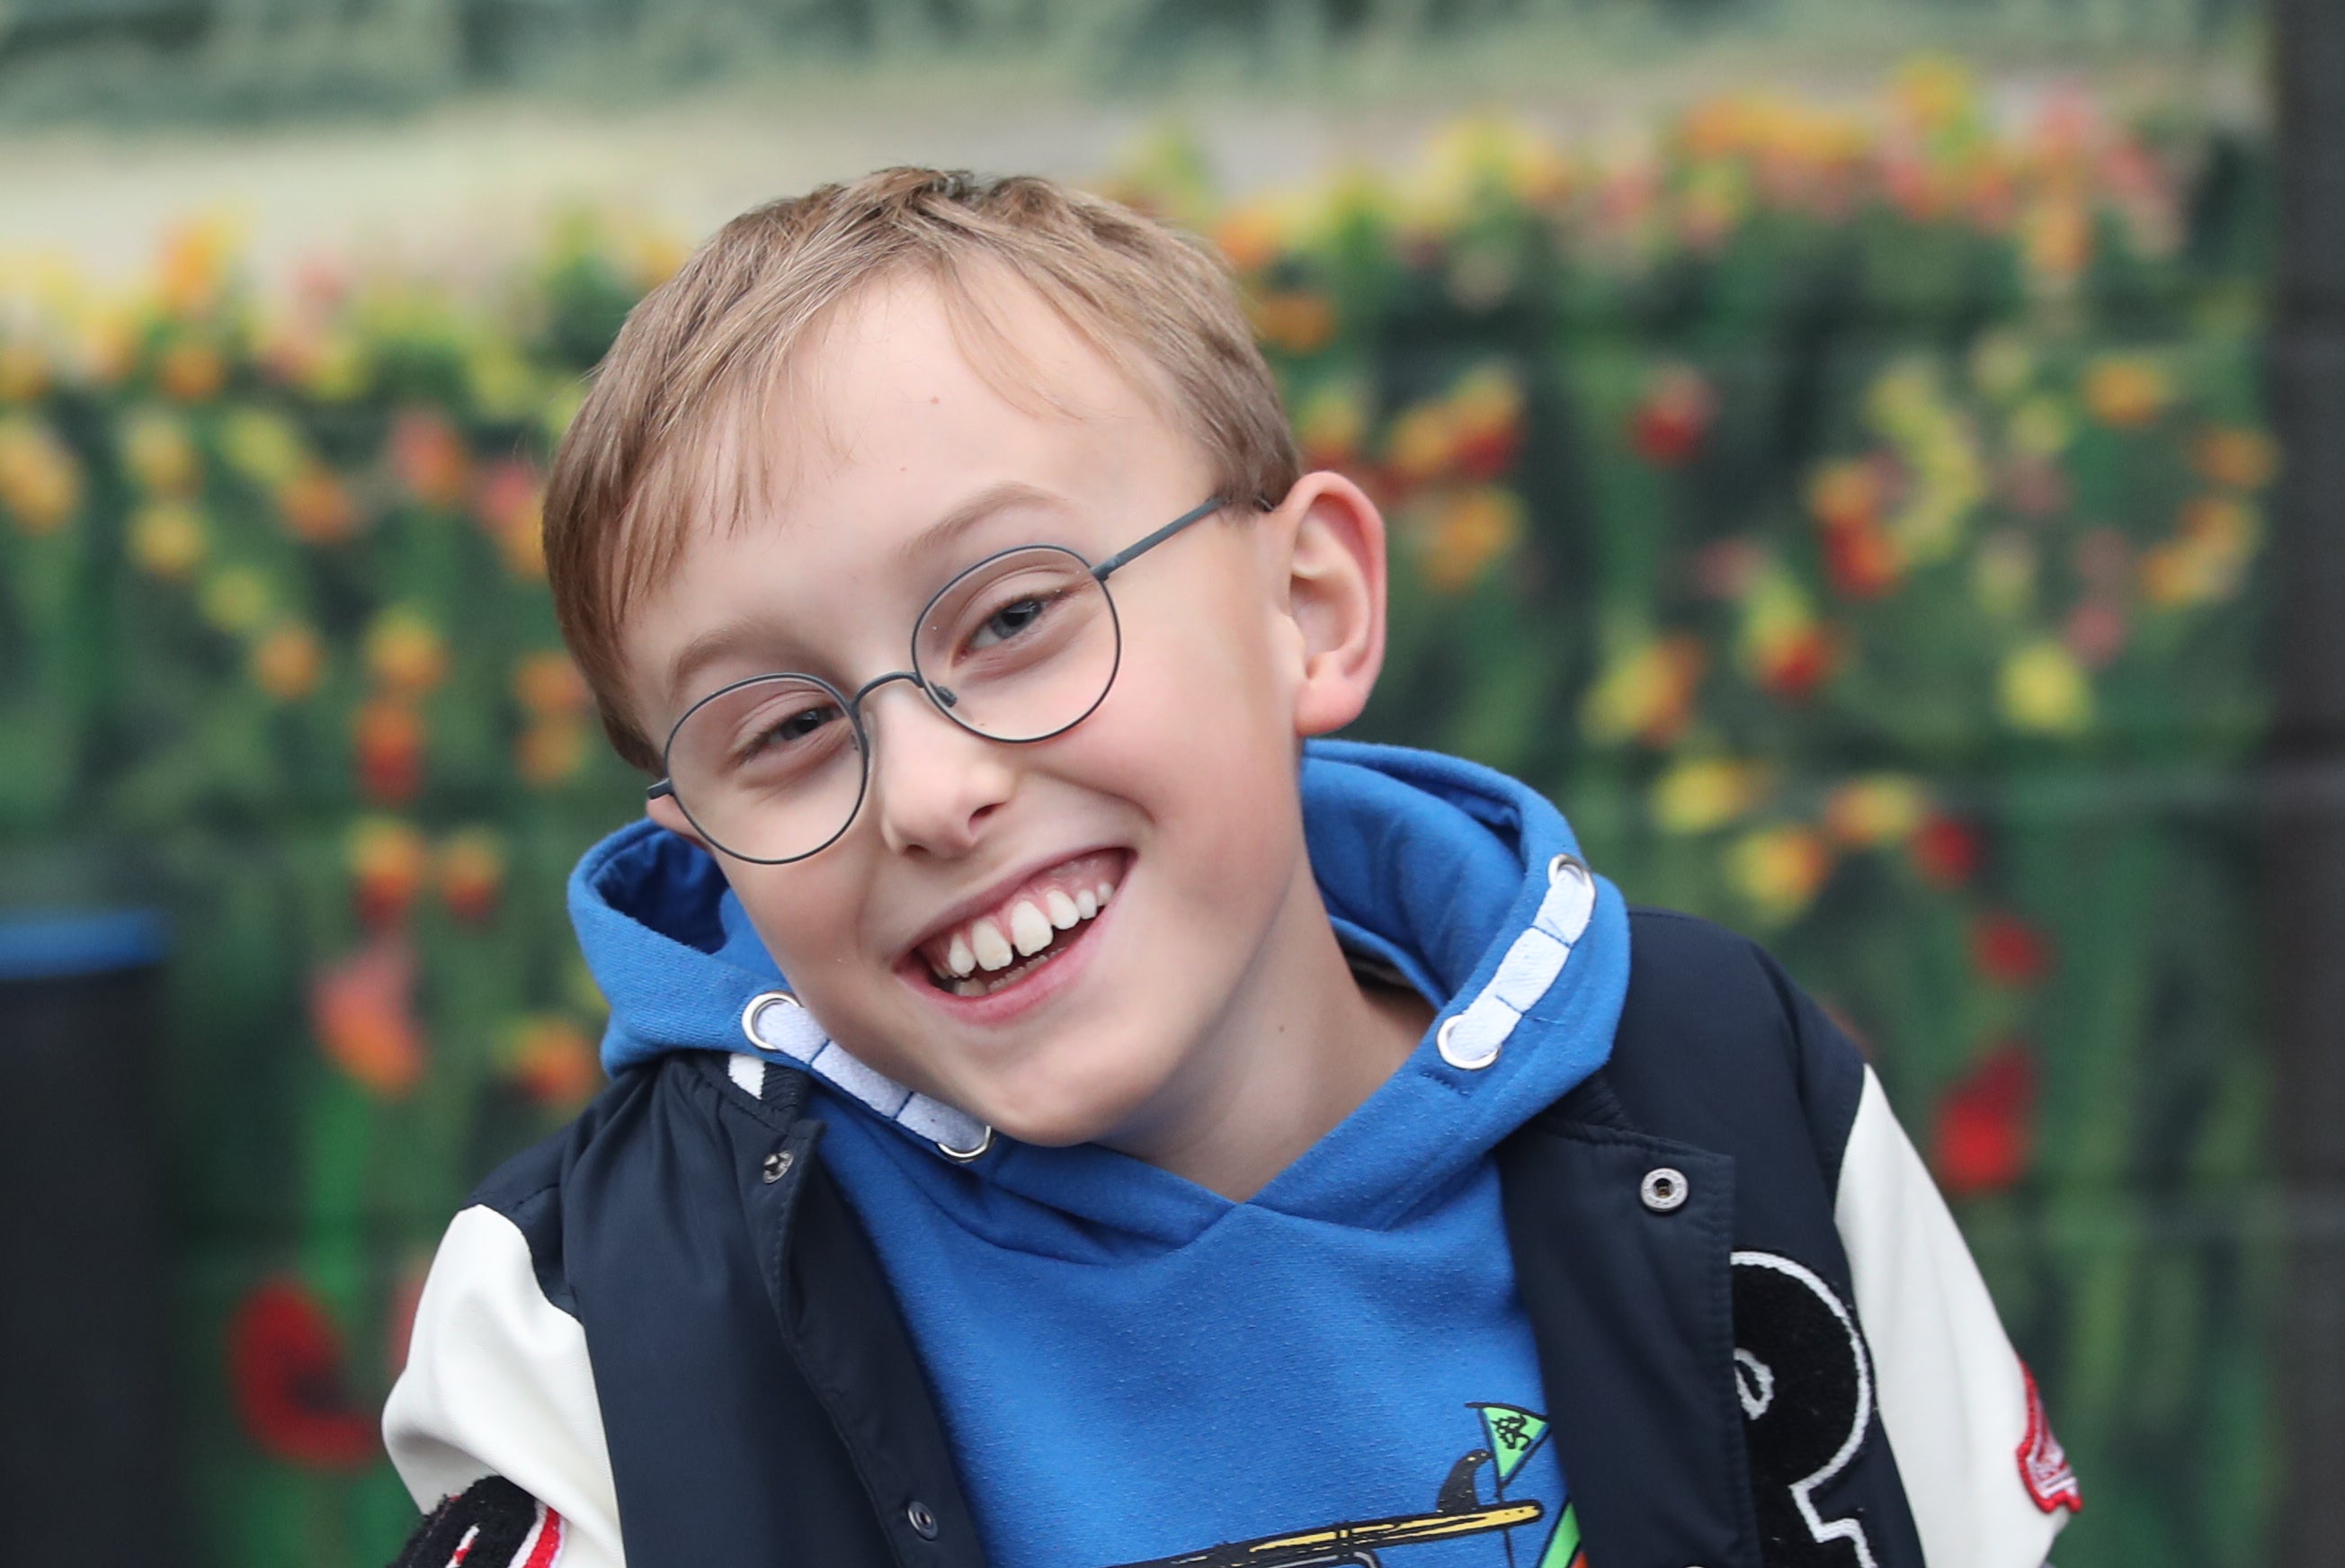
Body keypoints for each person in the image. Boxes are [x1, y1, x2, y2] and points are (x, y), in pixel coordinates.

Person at [382, 168, 2082, 1568]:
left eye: (1018, 617)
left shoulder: (1730, 1082)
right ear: (712, 857)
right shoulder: (586, 1320)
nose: (927, 791)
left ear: (1308, 610)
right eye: (782, 730)